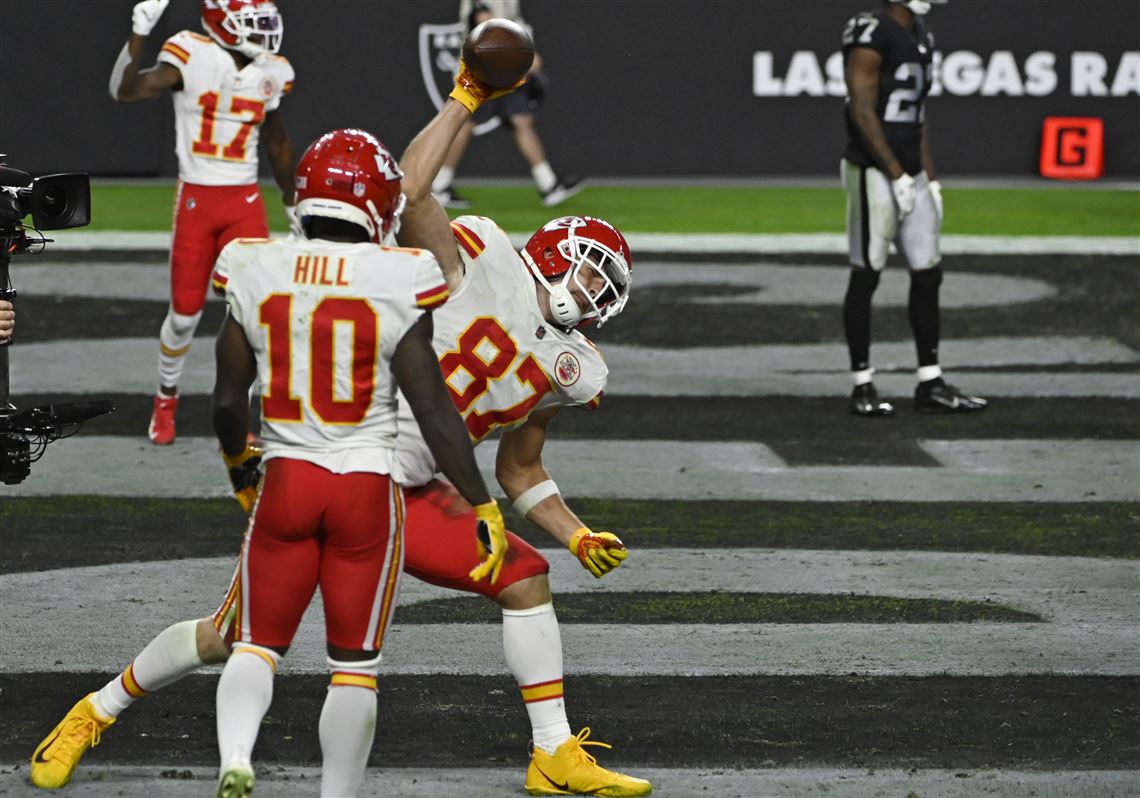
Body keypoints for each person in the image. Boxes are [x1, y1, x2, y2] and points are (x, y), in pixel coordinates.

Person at [31, 64, 649, 798]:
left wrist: (574, 533)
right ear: (553, 251)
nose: (596, 295)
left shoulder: (574, 368)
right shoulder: (479, 251)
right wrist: (467, 99)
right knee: (230, 635)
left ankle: (551, 754)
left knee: (525, 578)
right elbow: (413, 192)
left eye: (605, 288)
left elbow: (520, 468)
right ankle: (95, 711)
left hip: (415, 493)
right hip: (348, 458)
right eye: (592, 273)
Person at [109, 0, 297, 444]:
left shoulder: (272, 71)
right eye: (251, 23)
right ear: (220, 24)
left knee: (253, 315)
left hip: (245, 201)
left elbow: (279, 142)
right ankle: (165, 397)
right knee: (184, 315)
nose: (264, 32)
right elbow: (125, 89)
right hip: (197, 199)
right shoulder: (191, 55)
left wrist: (292, 203)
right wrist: (139, 34)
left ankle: (243, 417)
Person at [840, 0, 986, 416]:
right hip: (873, 168)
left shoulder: (920, 32)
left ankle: (930, 381)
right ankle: (862, 384)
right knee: (867, 272)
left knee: (928, 273)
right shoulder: (871, 30)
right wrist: (895, 173)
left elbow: (916, 115)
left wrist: (927, 177)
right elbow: (861, 108)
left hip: (911, 169)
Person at [432, 0, 584, 210]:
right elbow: (483, 21)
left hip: (501, 64)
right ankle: (439, 185)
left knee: (521, 120)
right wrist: (522, 56)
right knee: (466, 124)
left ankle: (548, 185)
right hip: (487, 63)